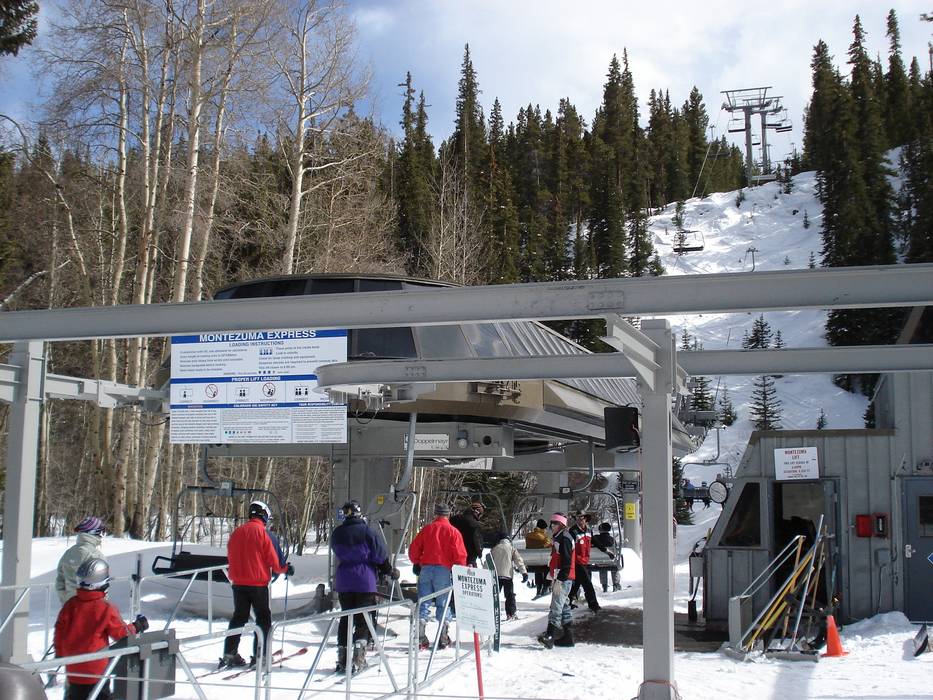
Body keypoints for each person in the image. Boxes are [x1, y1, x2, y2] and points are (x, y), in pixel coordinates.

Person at [54, 558, 148, 700]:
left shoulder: (70, 605)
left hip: (73, 668)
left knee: (77, 695)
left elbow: (59, 632)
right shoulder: (104, 608)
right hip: (96, 669)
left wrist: (60, 654)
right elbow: (120, 633)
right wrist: (137, 626)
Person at [330, 500, 399, 674]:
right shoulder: (367, 532)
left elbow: (336, 550)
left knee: (346, 617)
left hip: (344, 579)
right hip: (364, 579)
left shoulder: (337, 533)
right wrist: (388, 570)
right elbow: (379, 555)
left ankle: (342, 656)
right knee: (364, 618)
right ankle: (359, 655)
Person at [221, 500, 291, 669]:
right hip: (258, 584)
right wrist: (285, 569)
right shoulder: (264, 534)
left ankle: (229, 653)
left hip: (238, 583)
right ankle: (261, 655)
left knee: (239, 617)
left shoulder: (237, 532)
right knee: (263, 619)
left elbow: (231, 555)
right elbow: (275, 562)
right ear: (264, 515)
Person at [408, 503, 467, 649]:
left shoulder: (427, 529)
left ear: (436, 514)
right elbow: (460, 555)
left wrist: (417, 562)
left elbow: (414, 549)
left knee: (424, 601)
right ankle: (443, 636)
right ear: (448, 515)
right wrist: (459, 570)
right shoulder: (453, 532)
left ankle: (420, 636)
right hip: (444, 571)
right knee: (443, 603)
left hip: (426, 569)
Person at [537, 513, 575, 649]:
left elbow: (567, 561)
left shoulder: (564, 538)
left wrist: (560, 579)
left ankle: (550, 636)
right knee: (564, 607)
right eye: (551, 523)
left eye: (555, 523)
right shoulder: (559, 537)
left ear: (562, 524)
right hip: (561, 576)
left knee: (556, 607)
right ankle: (568, 637)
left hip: (563, 578)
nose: (552, 525)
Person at [56, 516, 105, 605]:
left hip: (70, 606)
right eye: (101, 532)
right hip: (91, 608)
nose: (101, 536)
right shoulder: (96, 555)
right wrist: (102, 607)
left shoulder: (68, 553)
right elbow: (102, 587)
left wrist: (66, 601)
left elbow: (59, 581)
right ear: (94, 532)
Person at [490, 533, 527, 621]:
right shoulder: (511, 548)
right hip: (507, 576)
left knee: (494, 595)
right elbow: (519, 560)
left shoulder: (494, 549)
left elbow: (488, 562)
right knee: (509, 595)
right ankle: (511, 613)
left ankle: (491, 613)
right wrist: (524, 572)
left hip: (496, 577)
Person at [568, 512, 601, 613]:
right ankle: (593, 604)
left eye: (581, 518)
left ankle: (567, 602)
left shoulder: (589, 531)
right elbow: (569, 545)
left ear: (586, 519)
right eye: (577, 518)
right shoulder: (573, 531)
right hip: (577, 561)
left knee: (577, 583)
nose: (579, 520)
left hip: (585, 560)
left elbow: (595, 541)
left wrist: (606, 550)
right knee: (587, 583)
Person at [450, 499, 486, 567]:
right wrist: (479, 553)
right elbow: (477, 543)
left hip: (452, 555)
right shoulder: (475, 525)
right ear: (477, 512)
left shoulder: (454, 519)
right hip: (468, 558)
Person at [591, 522, 622, 593]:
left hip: (598, 562)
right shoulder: (612, 539)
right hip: (610, 562)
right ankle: (616, 584)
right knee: (614, 565)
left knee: (602, 566)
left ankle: (604, 586)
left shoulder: (595, 538)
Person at [525, 518, 552, 599]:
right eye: (546, 528)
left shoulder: (528, 536)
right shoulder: (545, 538)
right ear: (543, 528)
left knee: (538, 568)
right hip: (543, 564)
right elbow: (548, 547)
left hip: (532, 563)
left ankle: (538, 590)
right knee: (549, 568)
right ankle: (545, 588)